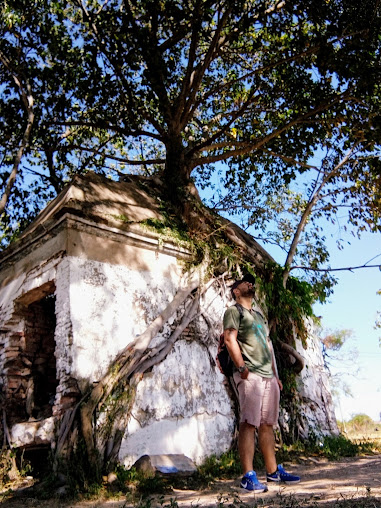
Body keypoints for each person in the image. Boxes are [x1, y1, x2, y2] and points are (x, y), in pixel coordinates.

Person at [223, 275, 300, 492]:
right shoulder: (233, 312)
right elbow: (230, 339)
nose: (250, 284)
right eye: (245, 282)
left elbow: (268, 346)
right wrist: (242, 368)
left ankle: (273, 472)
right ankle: (248, 476)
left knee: (267, 424)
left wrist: (276, 375)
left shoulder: (258, 315)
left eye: (251, 282)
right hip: (250, 375)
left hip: (268, 376)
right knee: (249, 422)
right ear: (236, 291)